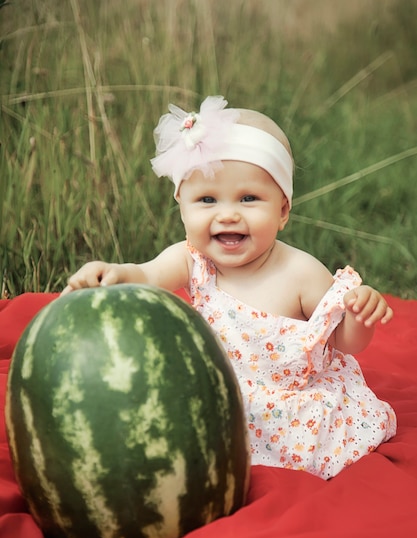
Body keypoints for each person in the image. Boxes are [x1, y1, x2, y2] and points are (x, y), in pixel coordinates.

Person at [62, 95, 397, 479]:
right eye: (206, 200)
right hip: (217, 394)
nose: (228, 214)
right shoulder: (193, 260)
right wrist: (111, 274)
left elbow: (343, 342)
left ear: (283, 210)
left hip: (288, 407)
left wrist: (360, 314)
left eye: (249, 198)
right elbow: (146, 276)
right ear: (182, 207)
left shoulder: (301, 272)